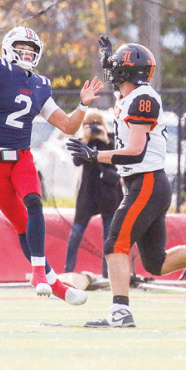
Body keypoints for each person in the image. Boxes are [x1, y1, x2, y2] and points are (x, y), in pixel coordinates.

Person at [67, 36, 186, 327]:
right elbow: (122, 89)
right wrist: (110, 58)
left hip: (146, 183)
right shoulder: (130, 95)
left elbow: (135, 152)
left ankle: (120, 311)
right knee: (156, 262)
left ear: (128, 72)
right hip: (144, 185)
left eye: (116, 66)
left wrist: (95, 154)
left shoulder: (142, 98)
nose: (111, 70)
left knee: (114, 244)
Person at [0, 14, 103, 306]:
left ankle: (38, 274)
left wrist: (82, 105)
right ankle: (53, 283)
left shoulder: (41, 84)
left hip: (21, 157)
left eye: (32, 49)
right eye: (22, 47)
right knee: (21, 223)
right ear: (9, 47)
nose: (27, 53)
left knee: (34, 202)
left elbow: (68, 126)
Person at [65, 108, 123, 278]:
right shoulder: (83, 141)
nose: (94, 128)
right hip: (88, 193)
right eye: (90, 125)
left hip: (109, 194)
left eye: (97, 124)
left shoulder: (110, 139)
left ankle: (108, 276)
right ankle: (68, 272)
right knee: (75, 234)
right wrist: (85, 140)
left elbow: (117, 159)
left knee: (109, 237)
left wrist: (105, 140)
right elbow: (76, 162)